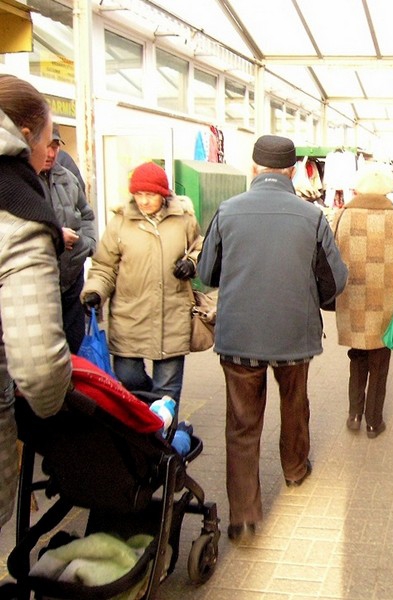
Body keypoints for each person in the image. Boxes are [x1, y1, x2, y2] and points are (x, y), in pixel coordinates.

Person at [197, 134, 347, 543]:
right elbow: (336, 280)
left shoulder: (227, 212)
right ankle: (295, 469)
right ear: (293, 170)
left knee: (242, 424)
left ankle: (244, 517)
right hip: (294, 336)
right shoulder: (312, 216)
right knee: (294, 404)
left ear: (254, 168)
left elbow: (207, 273)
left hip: (239, 337)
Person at [0, 74, 72, 530]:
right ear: (24, 136)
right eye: (48, 139)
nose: (52, 151)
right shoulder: (17, 208)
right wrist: (55, 413)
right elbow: (41, 369)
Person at [81, 162, 201, 406]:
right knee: (128, 377)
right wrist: (95, 291)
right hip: (130, 316)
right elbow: (105, 266)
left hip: (172, 315)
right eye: (139, 194)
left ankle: (164, 439)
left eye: (151, 195)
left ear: (164, 195)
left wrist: (191, 262)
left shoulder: (183, 220)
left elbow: (200, 247)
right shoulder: (120, 223)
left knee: (167, 390)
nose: (144, 201)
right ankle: (149, 410)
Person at [333, 163, 393, 439]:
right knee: (380, 359)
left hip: (351, 296)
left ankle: (354, 413)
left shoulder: (341, 215)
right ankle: (374, 421)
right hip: (386, 299)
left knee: (356, 355)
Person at [39, 123, 97, 353]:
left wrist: (87, 245)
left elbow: (86, 214)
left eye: (55, 147)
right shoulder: (19, 183)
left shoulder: (68, 178)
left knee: (73, 346)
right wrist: (55, 235)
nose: (51, 154)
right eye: (46, 147)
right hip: (41, 285)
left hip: (71, 281)